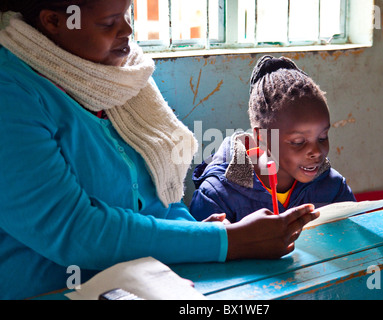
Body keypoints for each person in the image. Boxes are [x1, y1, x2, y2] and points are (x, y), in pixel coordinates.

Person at [0, 1, 318, 299]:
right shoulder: (13, 95)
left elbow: (158, 197)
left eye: (128, 14)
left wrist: (190, 234)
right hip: (49, 289)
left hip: (148, 281)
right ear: (54, 21)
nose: (126, 31)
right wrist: (227, 241)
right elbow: (75, 230)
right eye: (109, 23)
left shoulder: (121, 74)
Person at [191, 55, 355, 223]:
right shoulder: (217, 196)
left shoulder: (333, 187)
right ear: (261, 138)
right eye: (298, 142)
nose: (316, 152)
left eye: (322, 137)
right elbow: (200, 247)